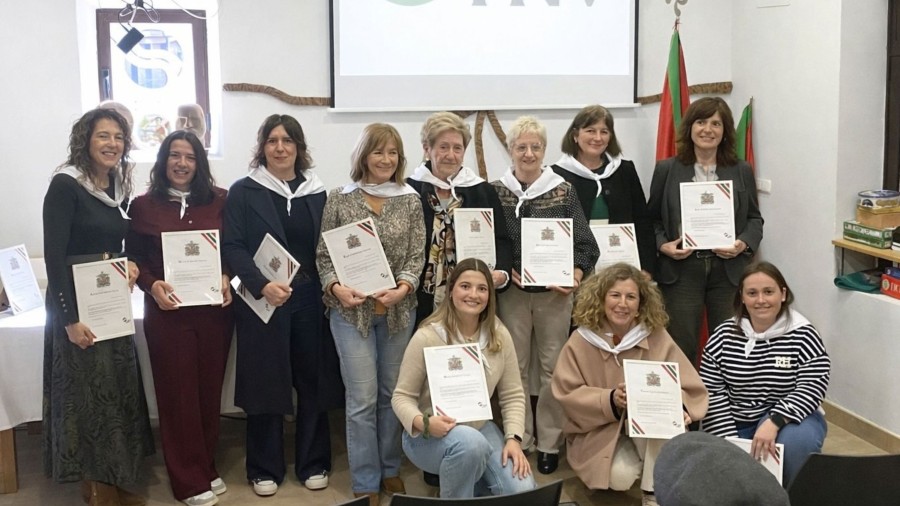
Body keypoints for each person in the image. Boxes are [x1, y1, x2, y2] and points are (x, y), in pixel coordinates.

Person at [222, 114, 341, 497]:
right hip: (262, 299)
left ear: (298, 147)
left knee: (312, 380)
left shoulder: (317, 192)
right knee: (265, 381)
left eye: (287, 140)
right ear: (262, 147)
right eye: (272, 140)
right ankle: (264, 467)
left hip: (308, 299)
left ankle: (313, 461)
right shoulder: (244, 191)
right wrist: (261, 286)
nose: (279, 147)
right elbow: (233, 246)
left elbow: (328, 247)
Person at [42, 108, 154, 505]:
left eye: (119, 137)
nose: (112, 144)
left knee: (114, 391)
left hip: (109, 299)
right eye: (103, 136)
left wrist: (129, 263)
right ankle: (94, 487)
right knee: (85, 397)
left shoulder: (115, 185)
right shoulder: (66, 185)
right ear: (86, 140)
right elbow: (54, 257)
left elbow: (113, 245)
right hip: (77, 304)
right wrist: (69, 320)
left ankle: (116, 478)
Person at [316, 123, 426, 506]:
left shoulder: (410, 199)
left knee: (392, 395)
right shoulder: (339, 198)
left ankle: (390, 469)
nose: (386, 159)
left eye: (393, 152)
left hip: (398, 313)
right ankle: (365, 479)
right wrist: (335, 288)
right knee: (361, 398)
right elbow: (324, 256)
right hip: (351, 314)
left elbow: (417, 255)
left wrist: (403, 288)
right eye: (378, 151)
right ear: (364, 155)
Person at [125, 131, 233, 506]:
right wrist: (151, 285)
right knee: (177, 395)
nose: (182, 163)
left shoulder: (221, 200)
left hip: (214, 314)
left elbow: (234, 249)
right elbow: (134, 259)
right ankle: (187, 481)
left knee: (207, 392)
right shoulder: (143, 206)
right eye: (175, 155)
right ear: (163, 160)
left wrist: (227, 275)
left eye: (190, 156)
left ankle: (204, 465)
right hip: (167, 314)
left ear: (199, 163)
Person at [490, 115, 599, 474]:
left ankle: (549, 442)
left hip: (555, 295)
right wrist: (502, 268)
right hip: (512, 294)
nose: (529, 153)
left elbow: (586, 244)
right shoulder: (495, 191)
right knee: (515, 367)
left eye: (535, 146)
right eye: (521, 146)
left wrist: (576, 275)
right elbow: (489, 240)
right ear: (510, 150)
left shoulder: (563, 190)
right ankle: (520, 437)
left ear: (544, 150)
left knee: (553, 368)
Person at [551, 263, 708, 506]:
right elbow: (567, 393)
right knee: (620, 477)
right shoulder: (581, 340)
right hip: (600, 430)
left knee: (664, 425)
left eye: (631, 297)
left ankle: (653, 493)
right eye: (615, 295)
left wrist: (683, 408)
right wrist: (610, 399)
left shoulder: (655, 335)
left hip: (650, 430)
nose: (622, 304)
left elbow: (690, 386)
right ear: (601, 299)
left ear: (640, 304)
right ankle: (643, 468)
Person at [392, 258, 536, 498]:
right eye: (465, 286)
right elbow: (401, 397)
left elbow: (512, 395)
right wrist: (425, 423)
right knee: (470, 445)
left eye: (482, 288)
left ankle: (470, 486)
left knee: (522, 490)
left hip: (479, 427)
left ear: (490, 296)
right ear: (451, 291)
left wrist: (513, 439)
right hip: (427, 434)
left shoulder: (499, 335)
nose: (473, 295)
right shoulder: (427, 336)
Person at [647, 97, 764, 365]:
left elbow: (754, 219)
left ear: (725, 131)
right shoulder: (667, 169)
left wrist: (743, 243)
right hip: (682, 272)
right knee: (681, 346)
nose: (708, 129)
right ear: (690, 127)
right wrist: (663, 244)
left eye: (716, 124)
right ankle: (687, 393)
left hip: (728, 272)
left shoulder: (741, 170)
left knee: (731, 346)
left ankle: (725, 393)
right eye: (701, 122)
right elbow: (651, 219)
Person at [700, 261, 830, 485]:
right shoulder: (722, 336)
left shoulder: (804, 334)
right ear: (742, 297)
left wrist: (774, 421)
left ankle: (792, 496)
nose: (760, 300)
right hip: (736, 420)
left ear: (783, 294)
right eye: (752, 293)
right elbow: (712, 391)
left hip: (790, 420)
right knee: (722, 470)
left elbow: (812, 386)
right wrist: (730, 441)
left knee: (797, 443)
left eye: (768, 292)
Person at [407, 111, 513, 324]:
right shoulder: (410, 190)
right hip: (418, 297)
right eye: (443, 147)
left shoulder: (482, 191)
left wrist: (502, 273)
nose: (451, 155)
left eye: (457, 148)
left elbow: (501, 239)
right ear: (427, 149)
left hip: (470, 298)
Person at [552, 105, 656, 275]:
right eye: (590, 131)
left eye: (604, 132)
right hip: (575, 270)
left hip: (620, 268)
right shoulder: (556, 175)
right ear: (575, 135)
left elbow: (642, 221)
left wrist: (647, 267)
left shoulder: (624, 170)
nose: (598, 138)